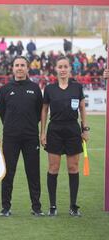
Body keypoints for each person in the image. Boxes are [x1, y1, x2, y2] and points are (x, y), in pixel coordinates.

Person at [40, 56, 89, 217]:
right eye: (60, 66)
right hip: (54, 130)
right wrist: (43, 132)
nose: (62, 69)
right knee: (53, 168)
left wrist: (85, 128)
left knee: (73, 168)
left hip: (73, 130)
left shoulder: (77, 88)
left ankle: (73, 206)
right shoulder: (49, 89)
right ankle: (53, 206)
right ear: (55, 69)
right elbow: (44, 110)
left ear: (70, 69)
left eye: (65, 66)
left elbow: (82, 109)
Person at [0, 56, 44, 217]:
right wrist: (12, 126)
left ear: (27, 68)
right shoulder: (5, 89)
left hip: (31, 137)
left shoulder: (35, 88)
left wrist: (28, 124)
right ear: (13, 68)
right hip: (11, 137)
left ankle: (36, 207)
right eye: (17, 65)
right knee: (8, 173)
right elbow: (1, 112)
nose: (19, 68)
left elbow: (39, 112)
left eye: (22, 65)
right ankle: (5, 207)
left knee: (33, 172)